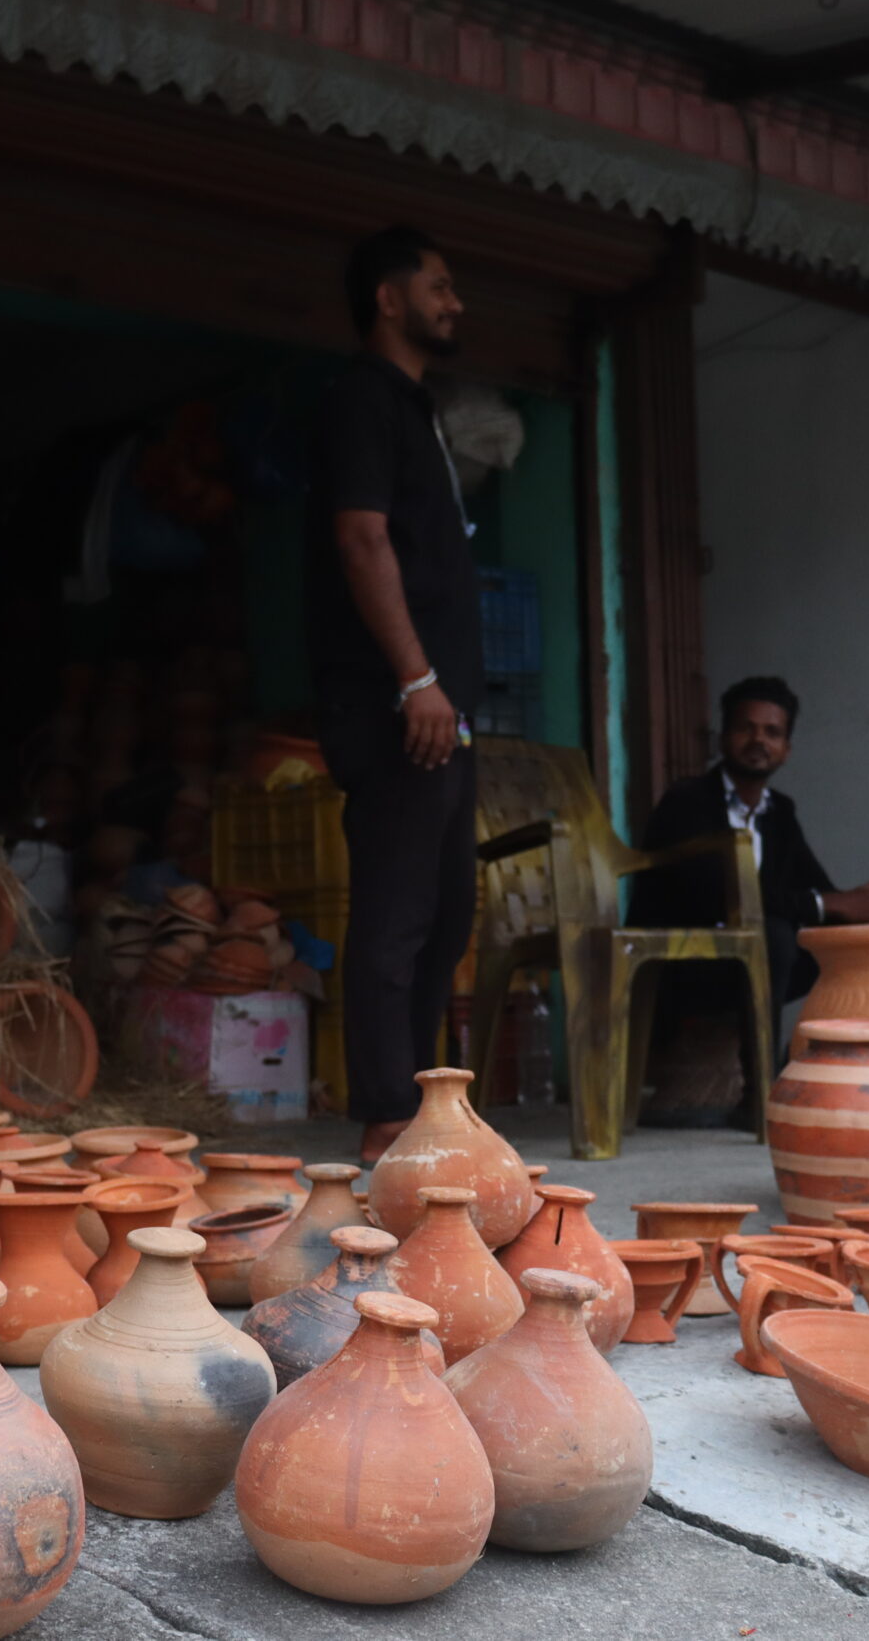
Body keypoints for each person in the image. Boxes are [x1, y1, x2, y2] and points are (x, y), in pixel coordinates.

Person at [309, 226, 480, 1163]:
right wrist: (416, 678)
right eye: (440, 284)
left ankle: (419, 1114)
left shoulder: (418, 410)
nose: (455, 303)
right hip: (396, 705)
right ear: (388, 298)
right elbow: (362, 541)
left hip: (441, 712)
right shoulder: (361, 400)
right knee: (395, 912)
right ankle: (384, 1119)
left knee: (447, 912)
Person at [630, 677, 869, 1125]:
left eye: (772, 732)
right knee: (777, 937)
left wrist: (867, 900)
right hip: (685, 963)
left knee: (842, 942)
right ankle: (757, 1095)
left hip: (756, 962)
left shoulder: (779, 812)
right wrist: (832, 903)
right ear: (724, 737)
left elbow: (818, 892)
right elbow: (717, 895)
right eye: (747, 728)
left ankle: (817, 1071)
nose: (758, 741)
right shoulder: (686, 801)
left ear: (786, 747)